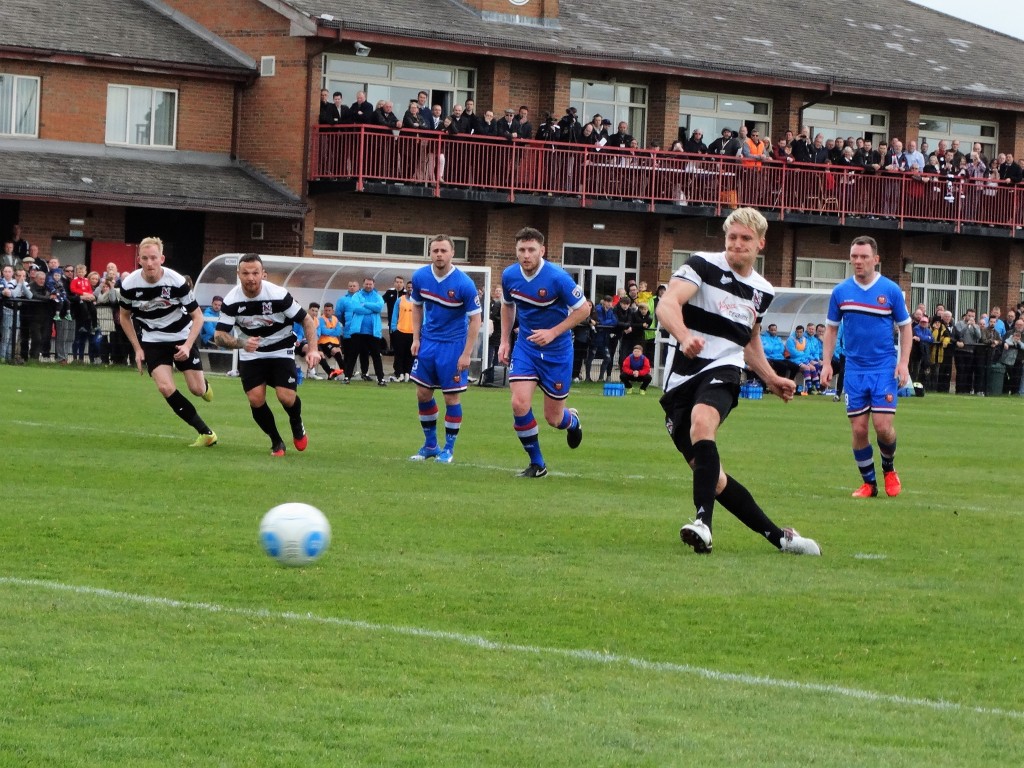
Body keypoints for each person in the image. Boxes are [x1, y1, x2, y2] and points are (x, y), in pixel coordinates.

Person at [656, 207, 820, 556]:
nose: (737, 244)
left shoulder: (762, 290)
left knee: (703, 422)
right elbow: (667, 303)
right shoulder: (701, 265)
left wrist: (772, 378)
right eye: (732, 237)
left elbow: (748, 341)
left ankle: (702, 524)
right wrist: (684, 335)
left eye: (746, 238)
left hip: (724, 370)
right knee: (713, 478)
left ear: (760, 243)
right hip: (681, 377)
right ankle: (780, 537)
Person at [820, 236, 912, 498]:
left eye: (863, 257)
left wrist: (902, 363)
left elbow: (906, 328)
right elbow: (831, 329)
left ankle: (889, 469)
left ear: (876, 259)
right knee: (859, 429)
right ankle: (869, 484)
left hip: (883, 367)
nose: (858, 261)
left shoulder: (891, 290)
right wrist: (827, 363)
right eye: (854, 257)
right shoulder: (841, 292)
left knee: (883, 427)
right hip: (854, 370)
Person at [498, 227, 590, 478]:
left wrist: (553, 332)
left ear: (542, 251)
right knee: (519, 403)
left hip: (557, 352)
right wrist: (505, 341)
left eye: (531, 250)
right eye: (521, 250)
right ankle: (537, 463)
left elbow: (584, 310)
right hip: (526, 347)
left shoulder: (557, 277)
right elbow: (507, 307)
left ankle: (572, 421)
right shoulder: (509, 276)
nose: (526, 255)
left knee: (554, 418)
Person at [214, 253, 321, 456]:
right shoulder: (231, 300)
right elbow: (219, 336)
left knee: (286, 397)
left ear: (264, 274)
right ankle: (276, 442)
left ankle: (296, 423)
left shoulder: (279, 295)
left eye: (255, 272)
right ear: (239, 274)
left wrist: (313, 349)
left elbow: (306, 320)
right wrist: (242, 343)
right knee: (255, 399)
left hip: (281, 350)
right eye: (245, 273)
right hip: (252, 354)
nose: (251, 277)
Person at [118, 237, 217, 447]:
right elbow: (124, 317)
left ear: (161, 258)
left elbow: (198, 317)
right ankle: (206, 433)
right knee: (165, 387)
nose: (150, 262)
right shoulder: (129, 285)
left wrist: (188, 345)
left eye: (154, 258)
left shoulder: (176, 281)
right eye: (145, 258)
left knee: (197, 390)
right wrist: (137, 348)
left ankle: (205, 386)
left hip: (181, 336)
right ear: (139, 260)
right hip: (153, 340)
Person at [407, 235, 483, 464]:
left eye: (443, 250)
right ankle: (431, 445)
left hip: (453, 345)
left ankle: (448, 449)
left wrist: (467, 352)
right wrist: (416, 338)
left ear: (452, 253)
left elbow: (476, 320)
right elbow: (417, 307)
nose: (439, 254)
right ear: (430, 253)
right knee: (422, 393)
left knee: (451, 397)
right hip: (428, 342)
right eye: (435, 250)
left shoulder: (464, 283)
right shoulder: (420, 277)